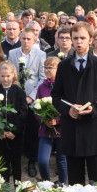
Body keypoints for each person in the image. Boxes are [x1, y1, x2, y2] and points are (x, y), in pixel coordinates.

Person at [51, 22, 97, 185]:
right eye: (75, 38)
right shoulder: (64, 66)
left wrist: (93, 109)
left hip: (93, 129)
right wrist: (67, 110)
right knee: (74, 181)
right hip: (71, 131)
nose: (79, 42)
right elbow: (56, 95)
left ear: (91, 40)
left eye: (82, 38)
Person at [9, 26, 47, 178]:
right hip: (17, 98)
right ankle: (14, 162)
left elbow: (42, 77)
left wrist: (31, 96)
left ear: (34, 40)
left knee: (32, 131)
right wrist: (18, 95)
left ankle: (32, 161)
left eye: (28, 39)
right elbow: (11, 76)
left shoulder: (41, 54)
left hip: (32, 99)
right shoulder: (12, 53)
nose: (25, 42)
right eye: (23, 38)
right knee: (17, 130)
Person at [34, 55, 65, 183]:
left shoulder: (64, 86)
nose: (47, 70)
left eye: (50, 67)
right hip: (45, 130)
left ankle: (63, 185)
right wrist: (44, 119)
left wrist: (57, 121)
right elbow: (36, 107)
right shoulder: (42, 87)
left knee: (62, 160)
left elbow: (66, 107)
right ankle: (46, 183)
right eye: (45, 67)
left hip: (61, 130)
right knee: (42, 160)